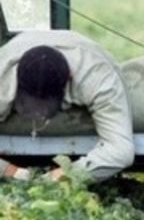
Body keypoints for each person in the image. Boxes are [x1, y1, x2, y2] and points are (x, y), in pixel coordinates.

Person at [0, 29, 134, 182]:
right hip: (19, 46)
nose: (39, 115)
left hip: (87, 54)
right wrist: (12, 171)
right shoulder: (2, 73)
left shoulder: (98, 76)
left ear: (69, 77)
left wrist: (60, 177)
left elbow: (121, 151)